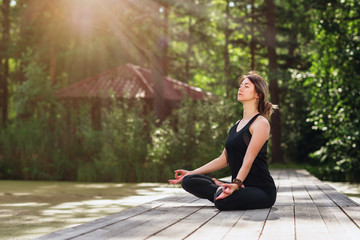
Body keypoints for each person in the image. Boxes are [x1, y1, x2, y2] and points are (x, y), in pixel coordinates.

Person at [169, 71, 277, 210]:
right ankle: (222, 191)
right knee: (189, 181)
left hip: (261, 190)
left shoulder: (260, 123)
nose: (240, 88)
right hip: (238, 186)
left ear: (258, 94)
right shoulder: (237, 125)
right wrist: (191, 172)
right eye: (240, 85)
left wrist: (237, 183)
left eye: (246, 86)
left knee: (222, 202)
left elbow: (248, 159)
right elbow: (223, 159)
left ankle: (223, 192)